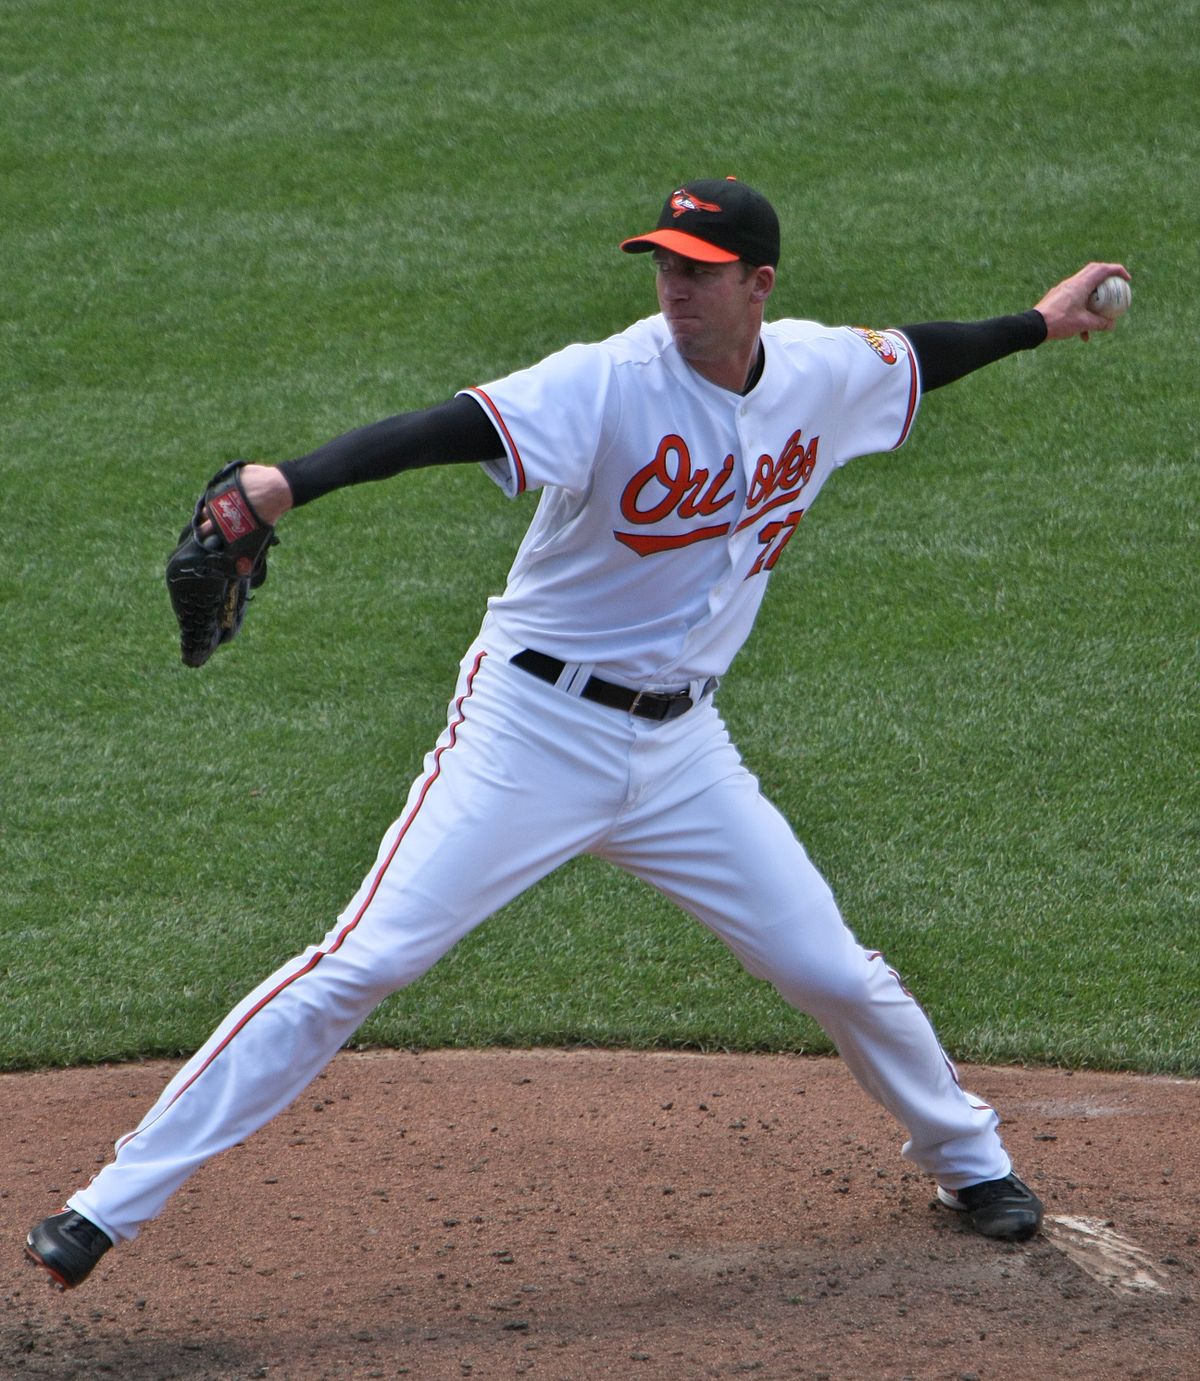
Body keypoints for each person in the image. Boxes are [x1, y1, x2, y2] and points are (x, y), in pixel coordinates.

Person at [26, 178, 1129, 1290]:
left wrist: (1044, 321)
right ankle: (104, 1207)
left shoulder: (820, 371)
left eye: (698, 269)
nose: (673, 287)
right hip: (530, 729)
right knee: (366, 960)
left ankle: (968, 1161)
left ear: (758, 284)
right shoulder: (606, 379)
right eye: (663, 264)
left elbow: (925, 352)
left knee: (832, 969)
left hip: (684, 754)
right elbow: (445, 429)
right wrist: (284, 484)